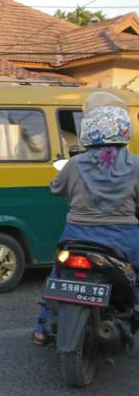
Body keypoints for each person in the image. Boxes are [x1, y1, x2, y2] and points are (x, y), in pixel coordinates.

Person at [35, 92, 139, 345]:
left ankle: (41, 328)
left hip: (77, 235)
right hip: (123, 238)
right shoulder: (136, 164)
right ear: (125, 130)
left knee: (58, 276)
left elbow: (56, 188)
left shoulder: (75, 164)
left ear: (89, 130)